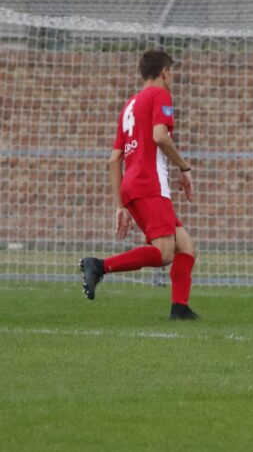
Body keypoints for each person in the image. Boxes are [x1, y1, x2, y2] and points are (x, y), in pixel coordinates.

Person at [80, 49, 199, 320]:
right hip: (149, 184)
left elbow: (114, 160)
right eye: (172, 73)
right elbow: (160, 136)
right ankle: (99, 266)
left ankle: (180, 308)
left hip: (132, 186)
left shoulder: (130, 105)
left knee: (186, 246)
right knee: (165, 253)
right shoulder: (160, 95)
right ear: (165, 72)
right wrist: (184, 167)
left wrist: (120, 205)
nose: (173, 78)